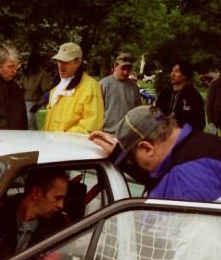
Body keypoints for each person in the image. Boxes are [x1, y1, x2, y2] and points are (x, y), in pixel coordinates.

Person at [89, 105, 221, 202]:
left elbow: (157, 233)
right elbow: (161, 174)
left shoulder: (182, 180)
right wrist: (118, 155)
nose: (134, 163)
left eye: (132, 158)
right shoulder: (203, 144)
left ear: (147, 148)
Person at [44, 42, 103, 134]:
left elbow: (91, 125)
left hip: (71, 145)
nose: (61, 65)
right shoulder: (56, 85)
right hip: (51, 143)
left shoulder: (91, 86)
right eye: (59, 61)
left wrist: (62, 137)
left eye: (66, 61)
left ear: (78, 62)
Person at [155, 61, 205, 131]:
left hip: (184, 137)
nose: (172, 74)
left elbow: (199, 123)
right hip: (163, 135)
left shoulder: (193, 96)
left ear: (186, 75)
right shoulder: (165, 93)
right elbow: (156, 113)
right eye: (172, 71)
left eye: (177, 71)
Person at [99, 53, 142, 134]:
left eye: (128, 69)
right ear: (115, 66)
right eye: (123, 68)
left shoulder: (134, 87)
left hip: (128, 133)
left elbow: (138, 111)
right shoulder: (103, 84)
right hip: (106, 133)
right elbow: (96, 111)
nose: (126, 72)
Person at [17, 52, 53, 130]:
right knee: (31, 126)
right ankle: (36, 139)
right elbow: (20, 85)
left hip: (33, 103)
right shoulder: (26, 73)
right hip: (22, 102)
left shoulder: (42, 75)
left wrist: (38, 105)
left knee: (27, 125)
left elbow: (47, 92)